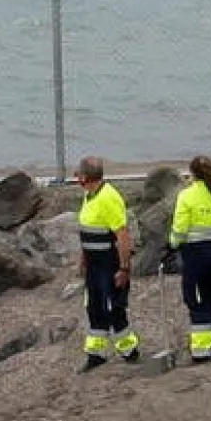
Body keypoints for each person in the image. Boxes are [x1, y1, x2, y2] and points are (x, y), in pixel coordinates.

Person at [166, 156, 211, 362]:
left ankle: (202, 349)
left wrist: (172, 244)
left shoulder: (187, 196)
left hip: (197, 256)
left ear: (193, 174)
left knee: (196, 299)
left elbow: (180, 227)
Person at [74, 157, 140, 371]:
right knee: (94, 306)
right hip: (93, 262)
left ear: (85, 177)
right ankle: (96, 354)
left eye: (78, 175)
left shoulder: (108, 198)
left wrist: (123, 268)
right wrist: (84, 257)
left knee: (114, 307)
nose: (76, 179)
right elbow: (88, 229)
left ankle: (129, 350)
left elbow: (122, 235)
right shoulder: (89, 196)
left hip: (108, 261)